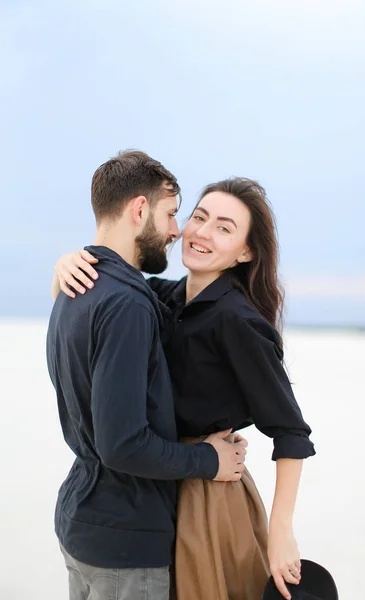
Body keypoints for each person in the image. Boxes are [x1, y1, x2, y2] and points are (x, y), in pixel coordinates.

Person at [54, 175, 316, 600]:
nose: (201, 232)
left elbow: (291, 432)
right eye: (199, 217)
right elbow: (106, 284)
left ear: (245, 252)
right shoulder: (165, 297)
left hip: (209, 497)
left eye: (224, 228)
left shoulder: (239, 323)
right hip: (156, 486)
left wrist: (281, 532)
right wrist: (69, 262)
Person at [46, 150, 246, 600]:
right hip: (125, 538)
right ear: (139, 210)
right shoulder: (126, 305)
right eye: (172, 214)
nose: (177, 231)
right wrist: (209, 462)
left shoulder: (74, 287)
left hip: (83, 521)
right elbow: (123, 444)